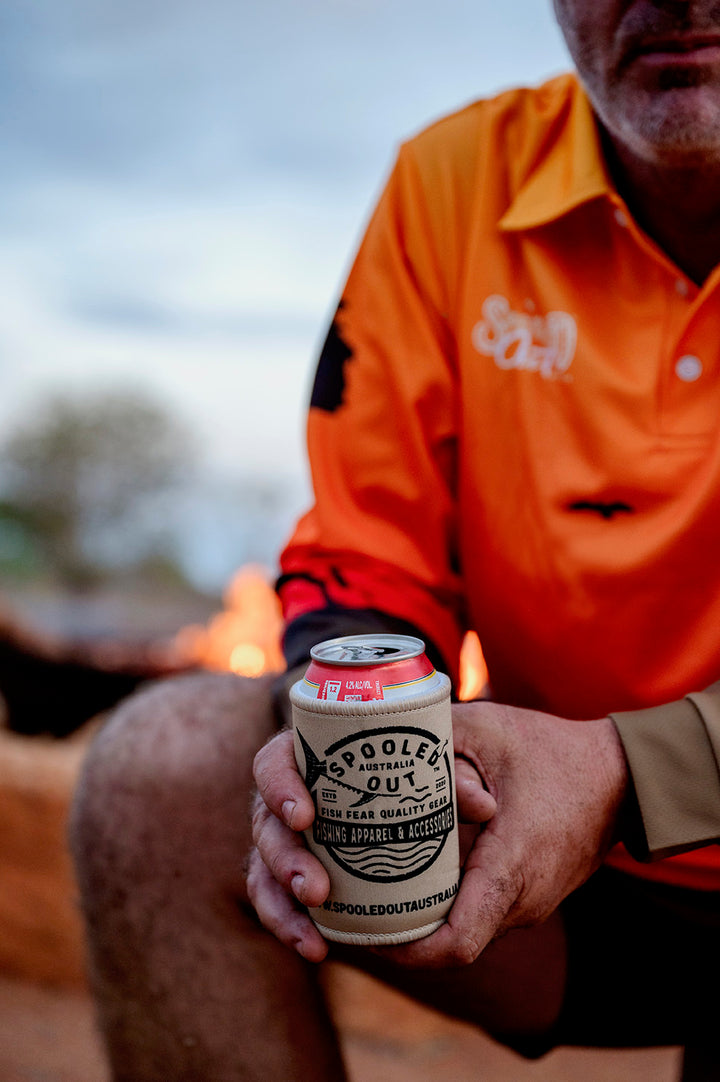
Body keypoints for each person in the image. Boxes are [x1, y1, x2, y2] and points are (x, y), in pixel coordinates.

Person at [69, 1, 720, 1079]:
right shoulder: (451, 183)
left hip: (608, 796)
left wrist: (623, 770)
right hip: (545, 863)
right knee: (161, 774)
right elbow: (366, 556)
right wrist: (355, 748)